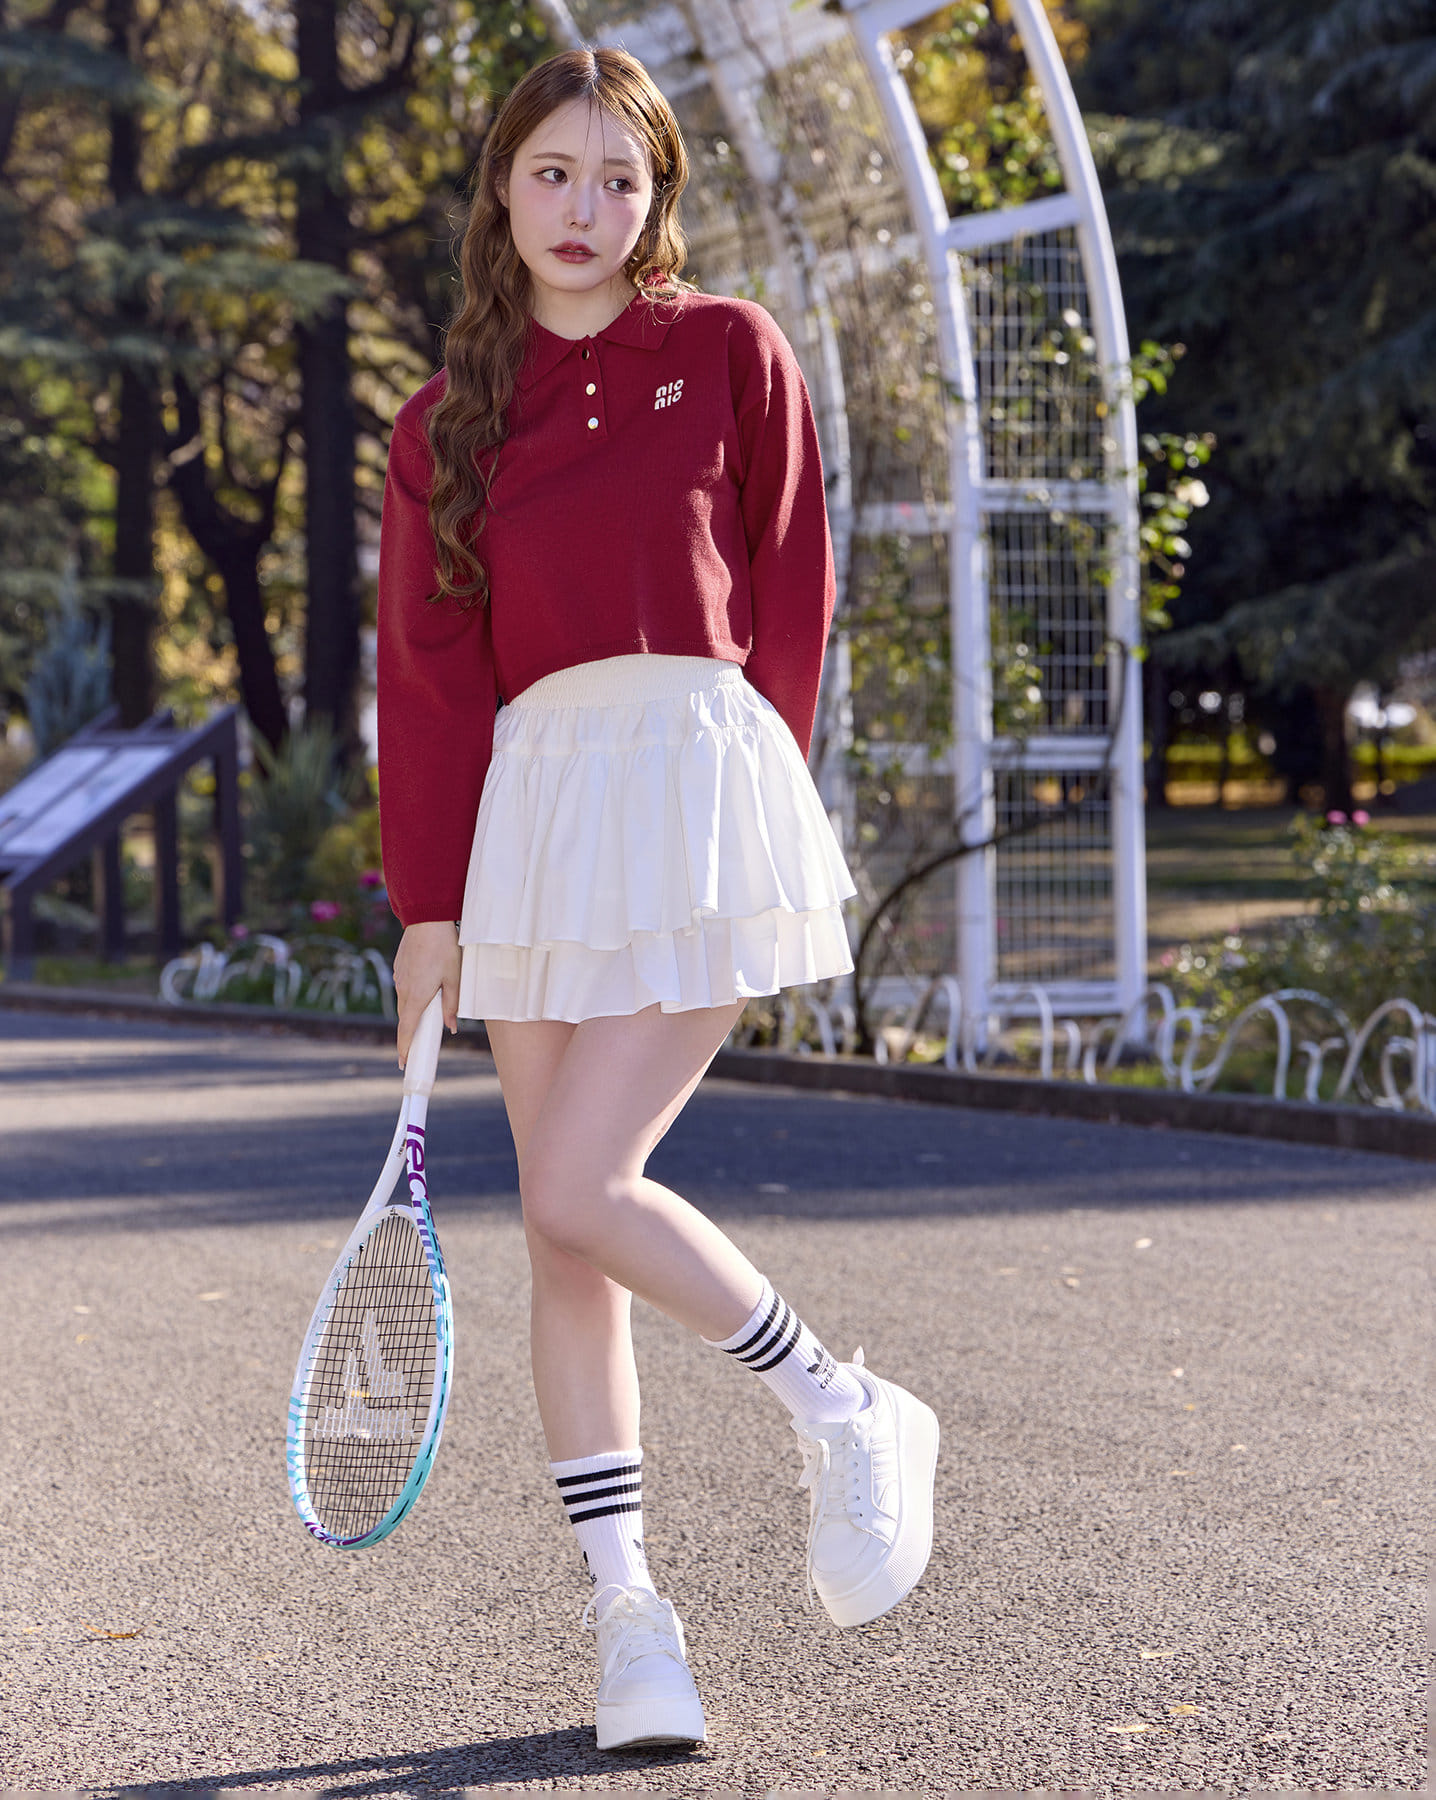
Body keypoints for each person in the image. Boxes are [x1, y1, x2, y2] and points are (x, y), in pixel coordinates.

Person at [377, 43, 939, 1753]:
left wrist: (761, 790)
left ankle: (841, 1404)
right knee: (566, 1235)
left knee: (580, 1183)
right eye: (552, 172)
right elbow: (430, 680)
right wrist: (426, 908)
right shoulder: (442, 425)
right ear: (501, 187)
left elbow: (792, 584)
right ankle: (633, 1629)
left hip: (700, 784)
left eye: (618, 178)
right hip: (532, 819)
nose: (584, 207)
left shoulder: (733, 351)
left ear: (658, 196)